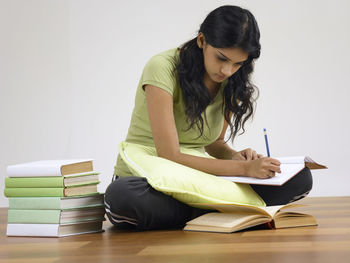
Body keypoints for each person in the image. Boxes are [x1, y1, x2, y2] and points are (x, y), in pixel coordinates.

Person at [104, 5, 313, 230]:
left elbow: (214, 144)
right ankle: (224, 210)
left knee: (301, 178)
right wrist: (245, 170)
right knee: (122, 197)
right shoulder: (162, 68)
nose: (227, 71)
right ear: (202, 40)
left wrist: (236, 157)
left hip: (198, 178)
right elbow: (169, 155)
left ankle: (198, 213)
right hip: (150, 174)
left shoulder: (232, 80)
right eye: (221, 58)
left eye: (237, 63)